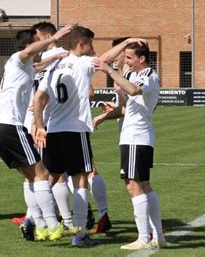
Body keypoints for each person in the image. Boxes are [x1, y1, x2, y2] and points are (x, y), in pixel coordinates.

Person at [33, 27, 141, 246]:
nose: (92, 50)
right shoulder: (81, 63)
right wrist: (127, 40)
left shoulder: (54, 66)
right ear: (81, 44)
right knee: (81, 179)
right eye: (90, 44)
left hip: (53, 130)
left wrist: (40, 125)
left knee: (50, 178)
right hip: (75, 130)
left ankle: (39, 221)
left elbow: (38, 99)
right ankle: (80, 235)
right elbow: (104, 60)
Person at [0, 25, 72, 242]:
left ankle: (42, 226)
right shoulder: (18, 57)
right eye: (36, 41)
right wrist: (53, 38)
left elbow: (37, 66)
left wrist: (56, 58)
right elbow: (28, 53)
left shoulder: (24, 67)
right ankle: (53, 225)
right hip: (10, 126)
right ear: (29, 45)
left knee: (30, 178)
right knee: (42, 173)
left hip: (0, 128)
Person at [93, 40, 167, 250]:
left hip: (137, 137)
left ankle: (144, 238)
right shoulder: (131, 75)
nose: (126, 61)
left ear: (141, 58)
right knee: (143, 185)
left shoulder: (148, 75)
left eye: (129, 58)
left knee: (133, 186)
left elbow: (134, 91)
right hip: (132, 136)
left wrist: (109, 70)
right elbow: (127, 107)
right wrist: (108, 112)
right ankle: (158, 236)